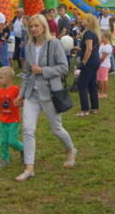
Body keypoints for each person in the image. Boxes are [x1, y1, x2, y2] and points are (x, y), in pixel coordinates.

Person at [14, 14, 77, 181]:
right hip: (31, 95)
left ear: (44, 27)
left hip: (50, 94)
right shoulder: (28, 47)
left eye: (36, 26)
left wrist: (44, 71)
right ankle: (29, 168)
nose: (34, 29)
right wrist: (21, 95)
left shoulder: (54, 44)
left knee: (56, 129)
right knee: (28, 130)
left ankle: (70, 150)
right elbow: (27, 74)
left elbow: (64, 68)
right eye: (31, 26)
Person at [0, 66, 23, 169]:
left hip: (14, 120)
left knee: (12, 141)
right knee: (3, 141)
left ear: (9, 78)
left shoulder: (16, 89)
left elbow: (22, 102)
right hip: (3, 121)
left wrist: (19, 103)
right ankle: (5, 159)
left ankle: (23, 149)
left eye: (1, 77)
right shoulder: (0, 91)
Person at [76, 13, 101, 116]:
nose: (82, 21)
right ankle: (95, 108)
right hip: (95, 61)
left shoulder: (88, 33)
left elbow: (89, 49)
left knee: (82, 84)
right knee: (92, 84)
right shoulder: (94, 33)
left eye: (84, 20)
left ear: (89, 22)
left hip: (90, 62)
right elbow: (88, 48)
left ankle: (84, 110)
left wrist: (83, 63)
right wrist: (80, 49)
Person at [97, 30, 112, 99]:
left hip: (103, 65)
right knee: (100, 79)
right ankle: (101, 92)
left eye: (102, 37)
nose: (101, 38)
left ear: (107, 37)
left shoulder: (108, 47)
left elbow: (103, 58)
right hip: (101, 65)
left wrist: (96, 63)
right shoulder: (103, 44)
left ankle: (103, 93)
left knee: (102, 79)